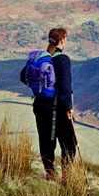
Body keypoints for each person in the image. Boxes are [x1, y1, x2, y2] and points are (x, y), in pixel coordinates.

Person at [20, 26, 76, 179]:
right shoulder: (62, 60)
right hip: (57, 108)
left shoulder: (42, 59)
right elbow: (65, 85)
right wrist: (68, 107)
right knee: (69, 144)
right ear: (62, 39)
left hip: (40, 106)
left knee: (45, 141)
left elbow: (23, 76)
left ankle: (50, 174)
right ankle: (67, 177)